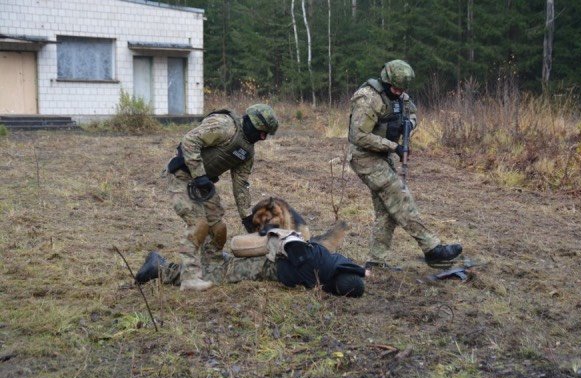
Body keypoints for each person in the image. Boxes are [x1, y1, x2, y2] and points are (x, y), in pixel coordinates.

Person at [347, 59, 462, 269]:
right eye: (395, 88)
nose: (399, 92)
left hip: (382, 156)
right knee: (399, 196)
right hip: (364, 157)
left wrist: (410, 124)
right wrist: (394, 146)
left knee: (387, 211)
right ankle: (432, 248)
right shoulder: (368, 98)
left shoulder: (400, 97)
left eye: (402, 89)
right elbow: (358, 136)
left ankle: (376, 261)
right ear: (386, 80)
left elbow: (412, 113)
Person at [165, 104, 279, 291]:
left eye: (266, 134)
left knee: (218, 228)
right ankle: (189, 278)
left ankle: (212, 267)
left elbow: (240, 184)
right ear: (252, 123)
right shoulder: (224, 125)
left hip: (203, 184)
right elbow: (189, 141)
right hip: (182, 176)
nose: (263, 138)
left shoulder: (247, 151)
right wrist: (199, 174)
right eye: (261, 132)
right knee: (199, 225)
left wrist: (247, 217)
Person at [134, 229, 369, 298]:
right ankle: (161, 268)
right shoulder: (320, 269)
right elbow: (295, 246)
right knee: (215, 277)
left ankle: (219, 257)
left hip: (270, 262)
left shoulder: (336, 264)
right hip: (266, 266)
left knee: (223, 268)